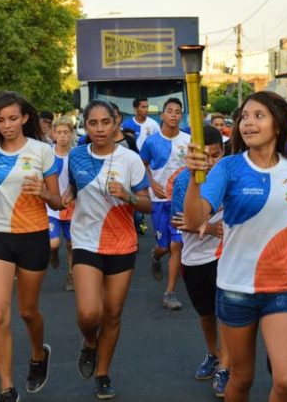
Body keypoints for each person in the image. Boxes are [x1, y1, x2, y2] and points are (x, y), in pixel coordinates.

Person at [183, 90, 287, 402]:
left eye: (258, 116)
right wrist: (194, 179)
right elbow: (194, 220)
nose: (248, 123)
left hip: (283, 287)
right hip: (236, 288)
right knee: (241, 380)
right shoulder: (228, 167)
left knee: (286, 381)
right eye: (244, 117)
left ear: (278, 124)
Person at [0, 91, 62, 402]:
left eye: (13, 118)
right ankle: (6, 388)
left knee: (27, 312)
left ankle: (38, 354)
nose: (7, 125)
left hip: (33, 236)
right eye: (0, 120)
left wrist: (44, 193)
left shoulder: (42, 151)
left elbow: (59, 201)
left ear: (25, 118)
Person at [64, 100, 151, 399]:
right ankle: (90, 342)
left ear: (115, 123)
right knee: (89, 314)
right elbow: (73, 188)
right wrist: (65, 195)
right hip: (86, 241)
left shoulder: (130, 160)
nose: (100, 128)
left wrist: (128, 196)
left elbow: (148, 204)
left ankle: (102, 373)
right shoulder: (75, 156)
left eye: (105, 122)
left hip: (122, 243)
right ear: (85, 126)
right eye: (93, 123)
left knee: (112, 315)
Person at [170, 126, 230, 397]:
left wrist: (218, 228)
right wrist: (205, 225)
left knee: (227, 313)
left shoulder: (231, 174)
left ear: (223, 152)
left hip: (225, 255)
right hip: (194, 257)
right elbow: (179, 221)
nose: (209, 163)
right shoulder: (184, 181)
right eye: (203, 157)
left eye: (215, 156)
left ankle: (225, 367)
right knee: (206, 312)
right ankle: (212, 353)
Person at [140, 98, 190, 310]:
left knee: (176, 245)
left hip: (180, 201)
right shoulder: (151, 142)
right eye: (170, 111)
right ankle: (156, 254)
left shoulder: (188, 140)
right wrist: (152, 183)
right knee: (164, 246)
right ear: (162, 115)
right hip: (159, 200)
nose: (174, 115)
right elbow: (142, 164)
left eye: (178, 112)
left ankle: (170, 292)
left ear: (181, 116)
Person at [47, 117, 76, 291]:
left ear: (71, 134)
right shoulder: (47, 154)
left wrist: (72, 194)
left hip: (72, 207)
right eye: (59, 133)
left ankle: (71, 275)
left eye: (66, 132)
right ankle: (53, 254)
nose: (63, 136)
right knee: (54, 243)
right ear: (53, 134)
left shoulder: (76, 155)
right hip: (51, 207)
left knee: (72, 244)